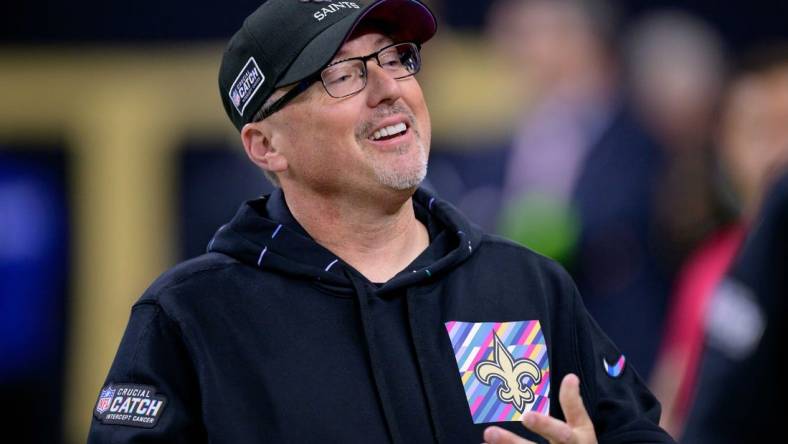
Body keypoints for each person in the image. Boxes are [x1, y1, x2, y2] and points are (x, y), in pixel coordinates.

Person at [87, 1, 674, 442]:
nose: (390, 88)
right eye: (343, 74)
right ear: (265, 145)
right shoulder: (191, 317)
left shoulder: (524, 284)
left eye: (397, 60)